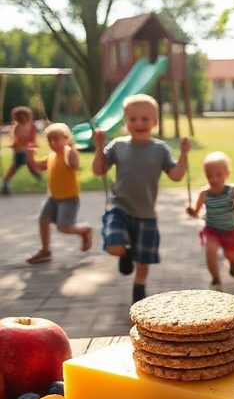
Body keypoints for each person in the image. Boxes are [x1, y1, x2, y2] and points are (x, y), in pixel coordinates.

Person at [92, 93, 191, 304]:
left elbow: (176, 175)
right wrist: (99, 147)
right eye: (133, 119)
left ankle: (139, 287)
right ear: (125, 122)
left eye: (145, 119)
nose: (139, 123)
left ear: (155, 122)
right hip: (119, 207)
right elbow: (99, 170)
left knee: (143, 259)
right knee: (113, 245)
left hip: (146, 213)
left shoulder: (160, 149)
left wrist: (183, 154)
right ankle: (124, 253)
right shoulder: (117, 146)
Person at [26, 122, 92, 264]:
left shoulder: (68, 153)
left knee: (64, 227)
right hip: (53, 197)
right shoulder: (52, 156)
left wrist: (72, 151)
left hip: (68, 198)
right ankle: (45, 251)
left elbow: (74, 164)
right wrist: (31, 157)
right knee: (43, 219)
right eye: (49, 140)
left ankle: (84, 230)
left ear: (66, 139)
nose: (52, 143)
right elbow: (38, 167)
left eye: (56, 139)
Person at [188, 151, 234, 291]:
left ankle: (232, 263)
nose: (214, 179)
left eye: (218, 175)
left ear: (227, 174)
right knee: (210, 249)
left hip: (230, 230)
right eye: (209, 176)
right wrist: (191, 210)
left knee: (230, 255)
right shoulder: (204, 193)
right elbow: (196, 211)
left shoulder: (233, 190)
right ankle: (216, 280)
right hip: (212, 229)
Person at [2, 105, 42, 194]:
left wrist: (32, 146)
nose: (22, 117)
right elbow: (15, 139)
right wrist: (14, 145)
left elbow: (32, 138)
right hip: (19, 151)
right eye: (19, 115)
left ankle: (40, 179)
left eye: (24, 115)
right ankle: (5, 183)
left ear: (27, 116)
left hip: (28, 150)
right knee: (14, 167)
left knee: (31, 166)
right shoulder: (17, 126)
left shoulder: (31, 126)